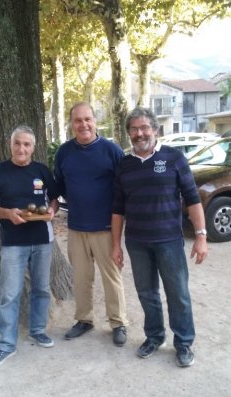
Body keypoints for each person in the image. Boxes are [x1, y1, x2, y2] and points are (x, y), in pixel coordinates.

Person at [111, 106, 208, 367]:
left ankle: (184, 342)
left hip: (169, 241)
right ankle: (154, 337)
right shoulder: (124, 165)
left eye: (144, 127)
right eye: (134, 129)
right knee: (147, 293)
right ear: (129, 133)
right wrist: (115, 245)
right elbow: (118, 209)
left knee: (178, 293)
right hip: (137, 242)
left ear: (155, 129)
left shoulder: (174, 158)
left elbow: (192, 198)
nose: (139, 133)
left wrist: (200, 235)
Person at [0, 125, 59, 369]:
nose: (21, 148)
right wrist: (6, 213)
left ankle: (37, 330)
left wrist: (52, 209)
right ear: (10, 145)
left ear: (33, 148)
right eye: (17, 143)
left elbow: (54, 198)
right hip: (13, 242)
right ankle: (6, 344)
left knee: (42, 289)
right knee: (10, 294)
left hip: (42, 240)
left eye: (26, 144)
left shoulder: (41, 171)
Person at [54, 102, 128, 346]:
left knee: (112, 278)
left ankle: (118, 323)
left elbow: (124, 188)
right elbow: (60, 187)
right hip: (76, 228)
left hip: (107, 228)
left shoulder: (111, 151)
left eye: (88, 119)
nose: (83, 124)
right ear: (71, 124)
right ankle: (84, 319)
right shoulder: (64, 153)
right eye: (78, 120)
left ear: (95, 121)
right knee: (82, 278)